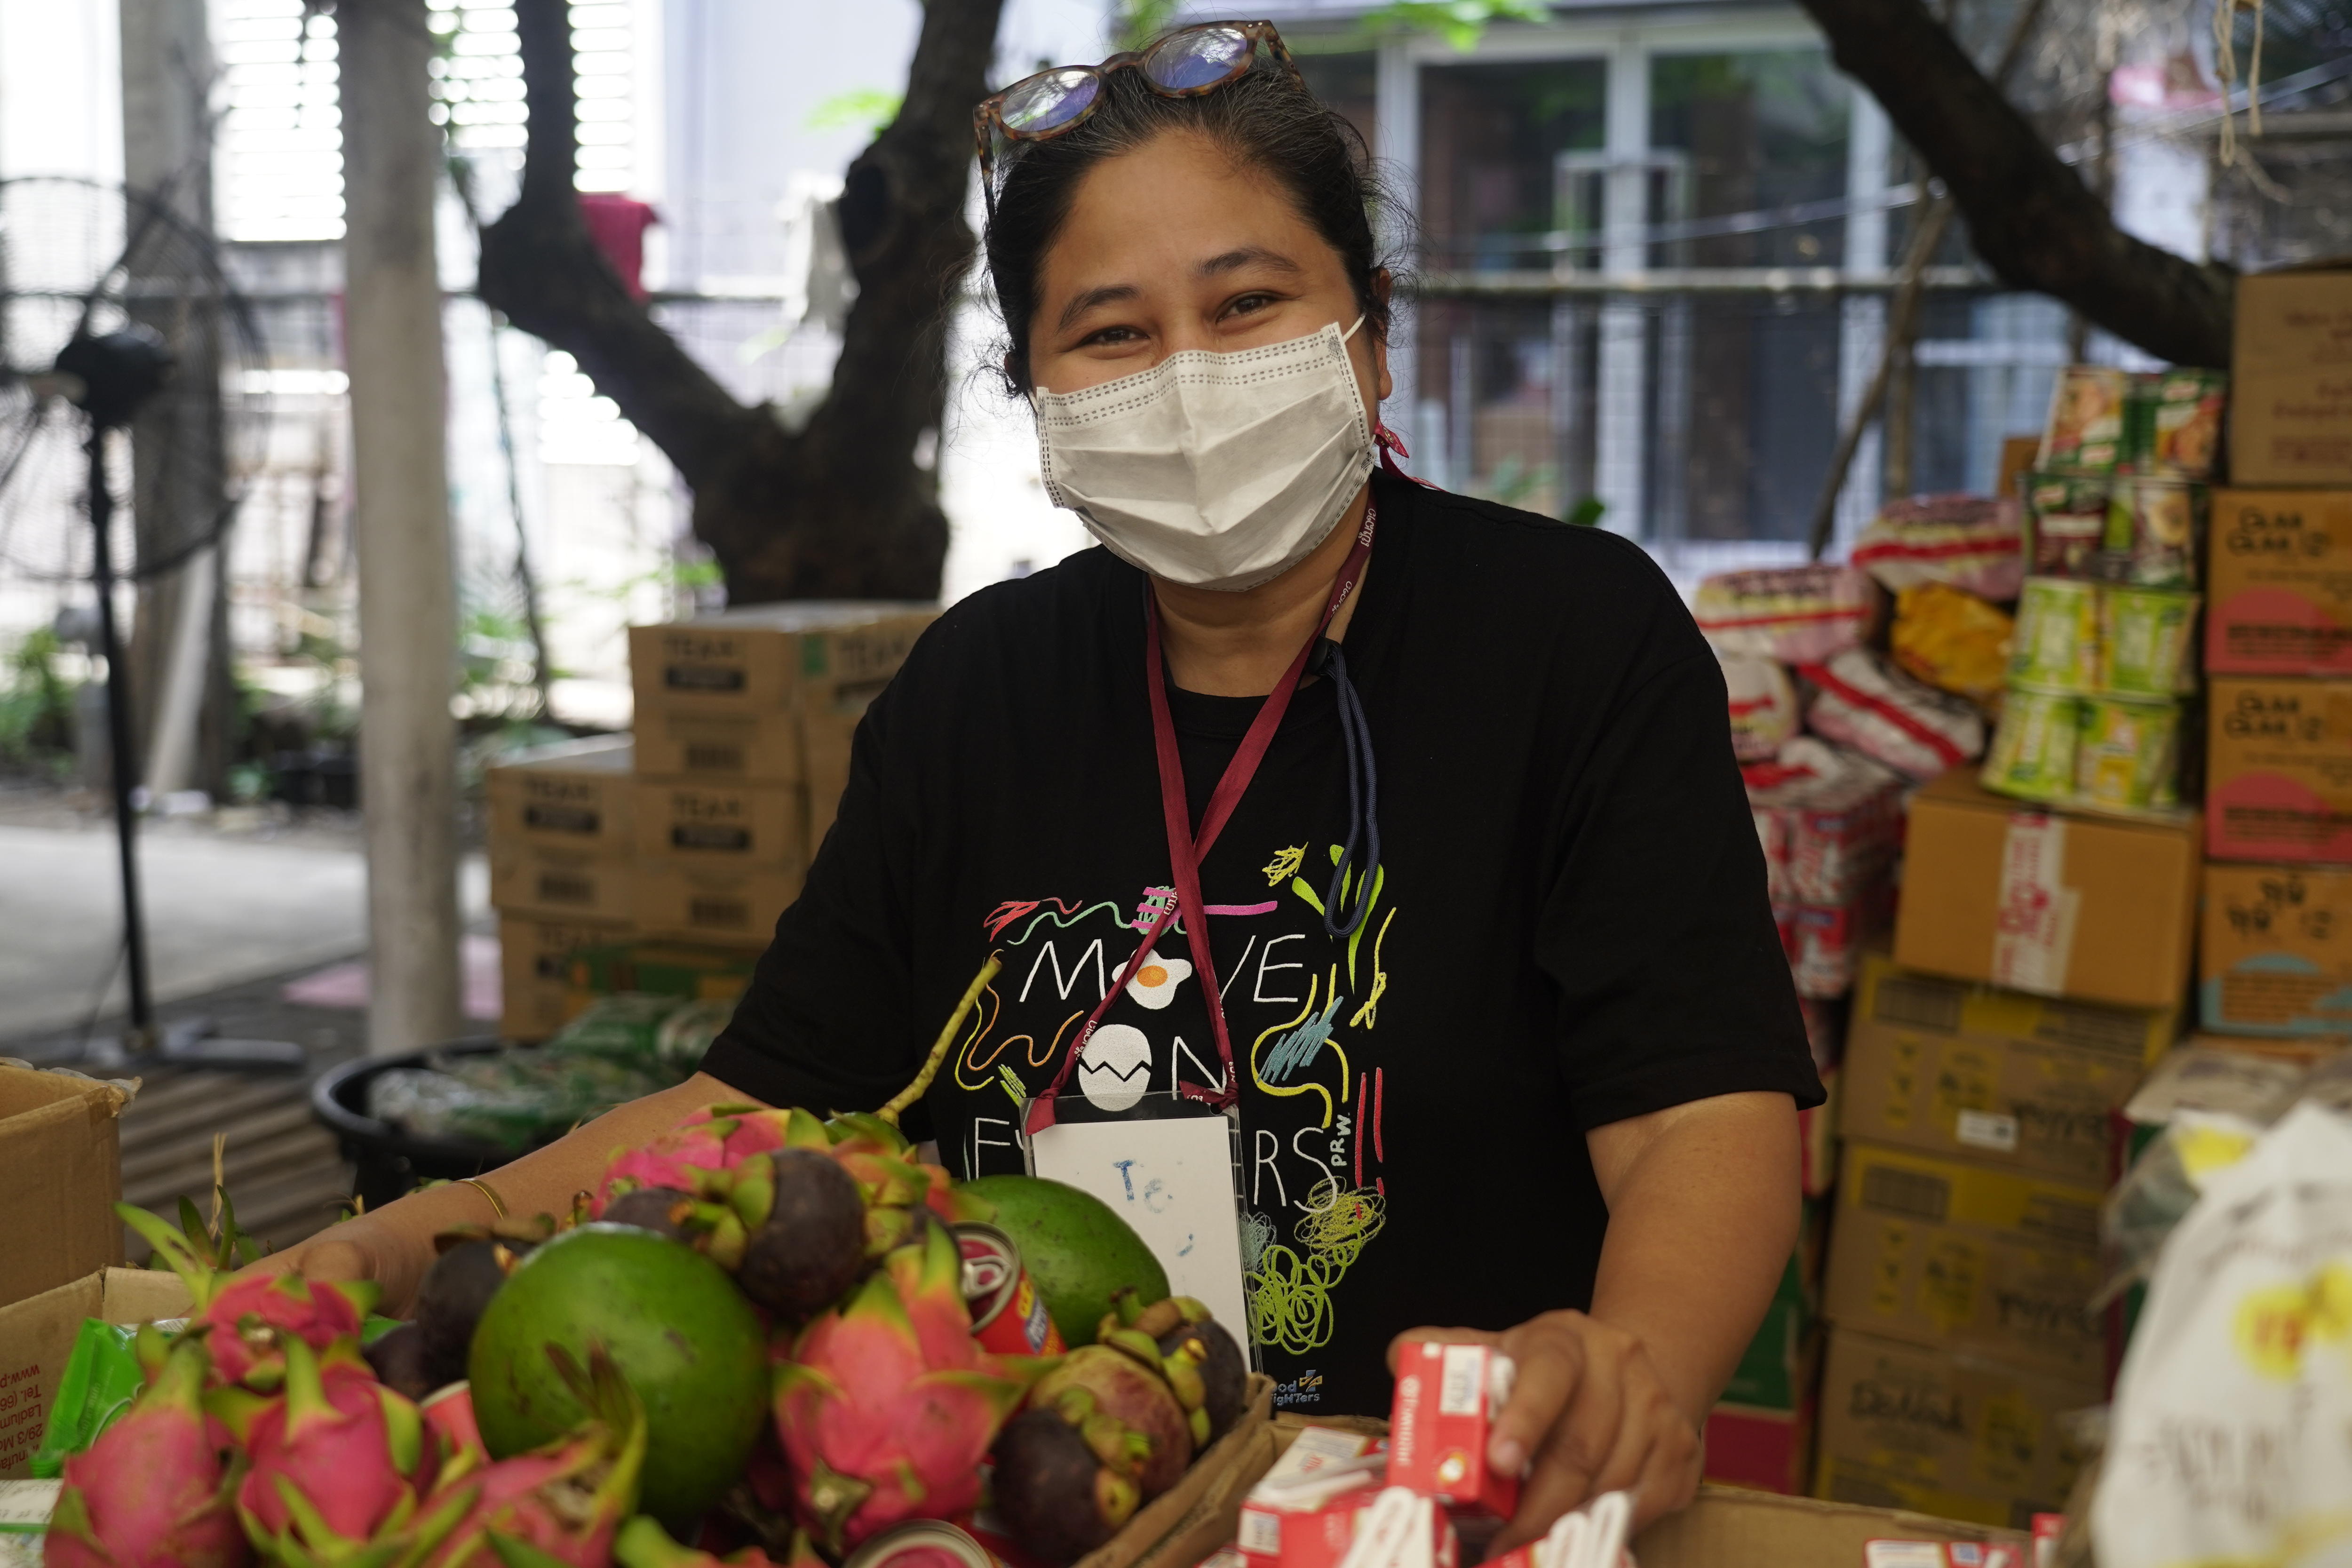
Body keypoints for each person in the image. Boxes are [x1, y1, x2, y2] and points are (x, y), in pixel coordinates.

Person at [264, 22, 1820, 1543]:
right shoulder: (975, 690)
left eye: (1250, 302)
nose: (1189, 376)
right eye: (1116, 333)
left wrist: (1635, 1374)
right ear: (1039, 391)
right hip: (1047, 1507)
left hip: (1435, 1507)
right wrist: (395, 1247)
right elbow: (757, 1108)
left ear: (1372, 332)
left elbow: (1699, 1109)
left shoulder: (1569, 641)